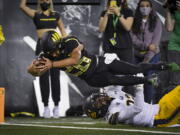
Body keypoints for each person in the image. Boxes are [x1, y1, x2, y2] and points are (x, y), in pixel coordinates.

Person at [27, 31, 180, 88]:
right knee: (116, 81)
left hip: (101, 63)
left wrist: (52, 64)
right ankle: (148, 81)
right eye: (50, 53)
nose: (53, 55)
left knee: (135, 69)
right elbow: (31, 71)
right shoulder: (47, 55)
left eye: (54, 51)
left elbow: (75, 59)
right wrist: (35, 67)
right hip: (90, 77)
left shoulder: (70, 41)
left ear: (59, 43)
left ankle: (163, 66)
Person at [20, 0, 67, 118]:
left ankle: (56, 106)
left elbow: (63, 32)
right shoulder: (36, 14)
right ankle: (46, 107)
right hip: (41, 47)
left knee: (55, 76)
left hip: (55, 47)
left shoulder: (56, 15)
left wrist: (66, 46)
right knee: (43, 77)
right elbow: (22, 6)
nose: (45, 1)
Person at [84, 85, 180, 127]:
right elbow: (138, 108)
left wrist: (114, 63)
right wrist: (139, 89)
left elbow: (120, 79)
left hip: (159, 107)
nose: (101, 98)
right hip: (160, 117)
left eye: (99, 98)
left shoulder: (111, 95)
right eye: (98, 102)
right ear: (99, 111)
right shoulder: (113, 111)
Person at [131, 0, 162, 103]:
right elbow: (133, 39)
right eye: (142, 6)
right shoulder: (134, 21)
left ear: (151, 8)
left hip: (152, 56)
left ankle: (148, 105)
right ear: (139, 8)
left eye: (147, 6)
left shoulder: (156, 21)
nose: (145, 8)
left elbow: (155, 43)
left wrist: (147, 59)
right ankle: (138, 105)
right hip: (137, 56)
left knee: (150, 81)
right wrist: (147, 46)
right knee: (137, 82)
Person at [165, 0, 180, 86]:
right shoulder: (175, 10)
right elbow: (169, 28)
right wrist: (167, 10)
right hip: (174, 45)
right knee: (175, 77)